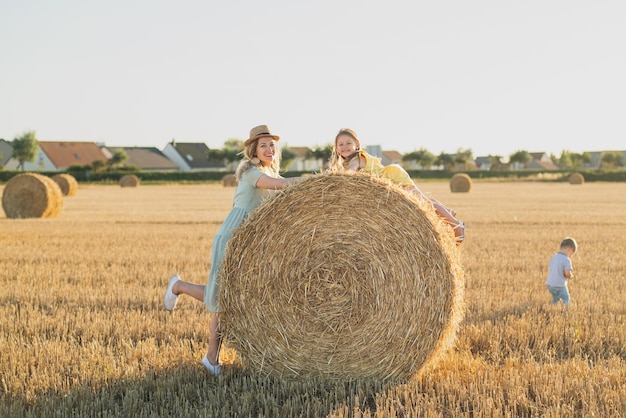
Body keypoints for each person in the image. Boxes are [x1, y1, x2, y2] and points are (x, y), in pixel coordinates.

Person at [163, 125, 299, 376]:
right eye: (263, 145)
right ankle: (211, 359)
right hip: (231, 238)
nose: (269, 149)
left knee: (226, 297)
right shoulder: (252, 172)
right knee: (221, 301)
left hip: (246, 243)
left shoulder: (266, 171)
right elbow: (279, 185)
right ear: (253, 150)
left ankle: (179, 286)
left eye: (272, 145)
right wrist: (312, 182)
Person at [328, 128, 465, 244]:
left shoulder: (356, 159)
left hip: (394, 177)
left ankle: (456, 225)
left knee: (424, 203)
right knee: (423, 200)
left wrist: (334, 178)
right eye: (340, 144)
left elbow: (349, 173)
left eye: (348, 143)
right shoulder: (347, 161)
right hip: (390, 180)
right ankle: (447, 211)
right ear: (336, 147)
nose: (344, 146)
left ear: (357, 145)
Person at [545, 237, 577, 305]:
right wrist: (570, 276)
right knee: (566, 297)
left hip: (550, 284)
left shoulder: (554, 257)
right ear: (569, 249)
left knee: (555, 297)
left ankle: (553, 306)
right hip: (559, 285)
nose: (571, 256)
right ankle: (566, 310)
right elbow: (567, 273)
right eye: (571, 254)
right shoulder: (566, 260)